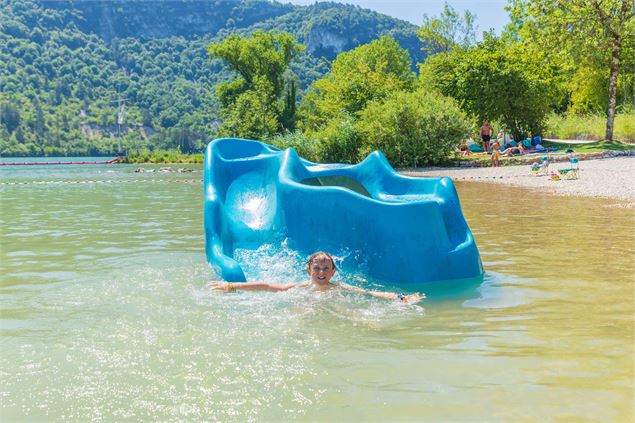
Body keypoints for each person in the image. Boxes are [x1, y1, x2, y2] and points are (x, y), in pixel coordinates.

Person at [210, 251, 424, 304]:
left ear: (333, 272)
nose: (321, 272)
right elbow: (268, 286)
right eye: (317, 268)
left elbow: (369, 292)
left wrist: (400, 298)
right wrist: (232, 285)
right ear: (309, 271)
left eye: (326, 268)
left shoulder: (338, 288)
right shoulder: (300, 286)